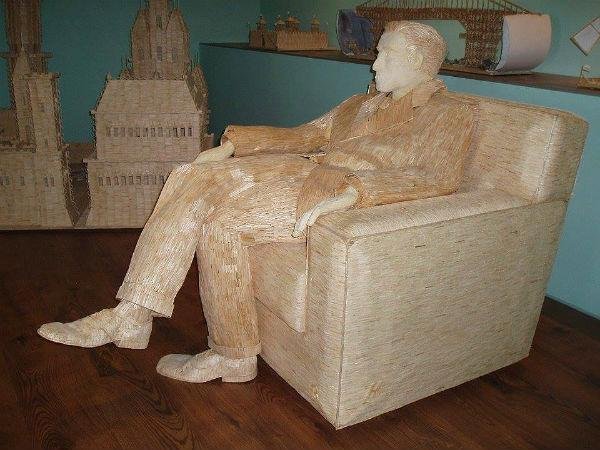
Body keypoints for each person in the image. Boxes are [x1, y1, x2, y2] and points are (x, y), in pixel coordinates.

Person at [38, 21, 477, 384]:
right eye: (377, 53)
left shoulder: (449, 114)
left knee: (222, 223)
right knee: (190, 174)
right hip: (294, 167)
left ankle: (232, 354)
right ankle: (132, 314)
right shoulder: (360, 105)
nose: (374, 63)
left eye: (385, 55)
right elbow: (308, 135)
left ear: (416, 61)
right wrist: (232, 146)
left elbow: (435, 178)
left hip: (327, 187)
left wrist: (356, 193)